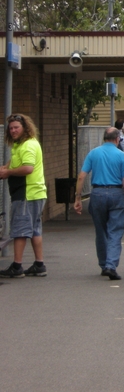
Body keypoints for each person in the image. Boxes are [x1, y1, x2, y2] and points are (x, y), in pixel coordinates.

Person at [74, 127, 124, 280]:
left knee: (101, 231)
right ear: (117, 139)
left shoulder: (93, 153)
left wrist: (77, 198)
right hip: (116, 194)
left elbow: (82, 176)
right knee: (115, 232)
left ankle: (103, 264)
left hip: (97, 194)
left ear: (104, 138)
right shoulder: (122, 156)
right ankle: (111, 265)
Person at [0, 114, 48, 278]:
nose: (13, 131)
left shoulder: (27, 146)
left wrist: (8, 173)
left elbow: (28, 168)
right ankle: (39, 264)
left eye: (16, 128)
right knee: (35, 229)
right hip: (35, 193)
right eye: (11, 128)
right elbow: (16, 162)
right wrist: (6, 168)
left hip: (26, 193)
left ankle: (17, 266)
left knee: (20, 230)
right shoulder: (24, 144)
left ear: (25, 128)